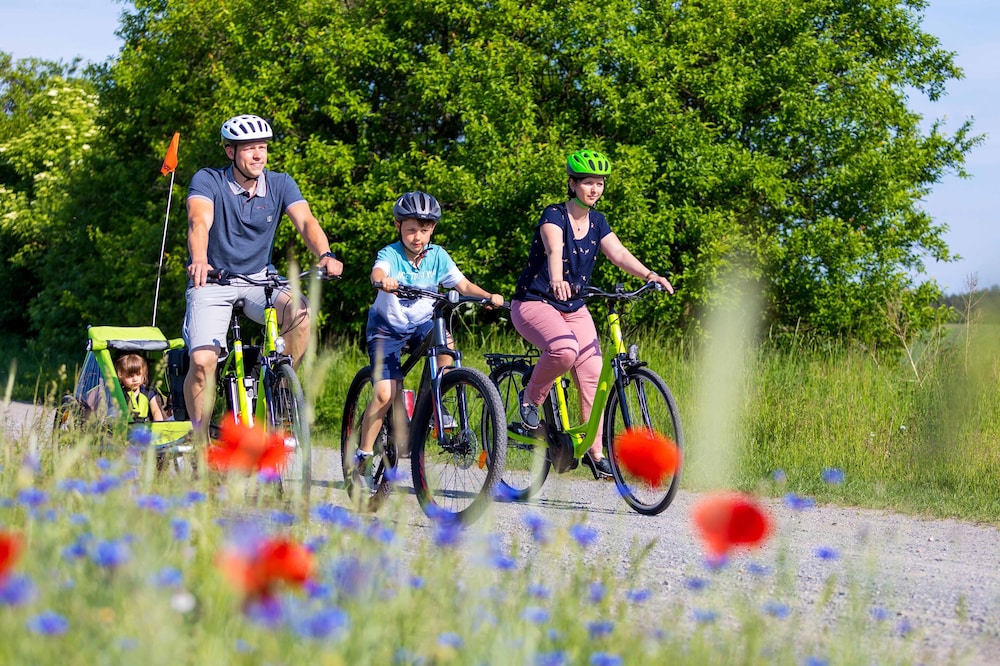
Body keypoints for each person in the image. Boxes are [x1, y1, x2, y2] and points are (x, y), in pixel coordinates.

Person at [510, 149, 674, 479]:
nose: (595, 189)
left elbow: (619, 253)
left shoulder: (598, 222)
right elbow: (554, 248)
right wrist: (557, 279)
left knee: (593, 375)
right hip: (535, 302)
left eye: (599, 183)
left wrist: (650, 275)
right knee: (564, 350)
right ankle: (530, 400)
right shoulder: (554, 215)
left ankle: (595, 452)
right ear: (572, 184)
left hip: (574, 306)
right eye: (588, 183)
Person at [182, 114, 344, 440]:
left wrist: (325, 253)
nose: (258, 155)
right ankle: (200, 441)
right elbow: (199, 221)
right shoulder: (208, 180)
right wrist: (200, 259)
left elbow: (306, 221)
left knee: (300, 313)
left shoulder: (280, 183)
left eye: (263, 147)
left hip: (260, 279)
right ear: (230, 152)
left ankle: (281, 392)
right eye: (249, 148)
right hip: (213, 281)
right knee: (201, 362)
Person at [351, 191, 504, 491]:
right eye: (411, 230)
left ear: (432, 229)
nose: (417, 237)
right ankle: (363, 456)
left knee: (446, 345)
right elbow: (377, 271)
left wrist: (487, 296)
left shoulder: (437, 256)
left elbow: (462, 284)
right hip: (387, 328)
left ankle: (435, 403)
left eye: (424, 230)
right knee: (384, 394)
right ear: (398, 226)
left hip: (421, 324)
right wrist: (383, 280)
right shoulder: (391, 254)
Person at [114, 354, 166, 423]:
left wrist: (158, 424)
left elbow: (155, 411)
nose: (135, 379)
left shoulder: (149, 392)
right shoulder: (119, 393)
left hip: (146, 426)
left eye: (138, 374)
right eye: (130, 376)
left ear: (144, 374)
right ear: (120, 375)